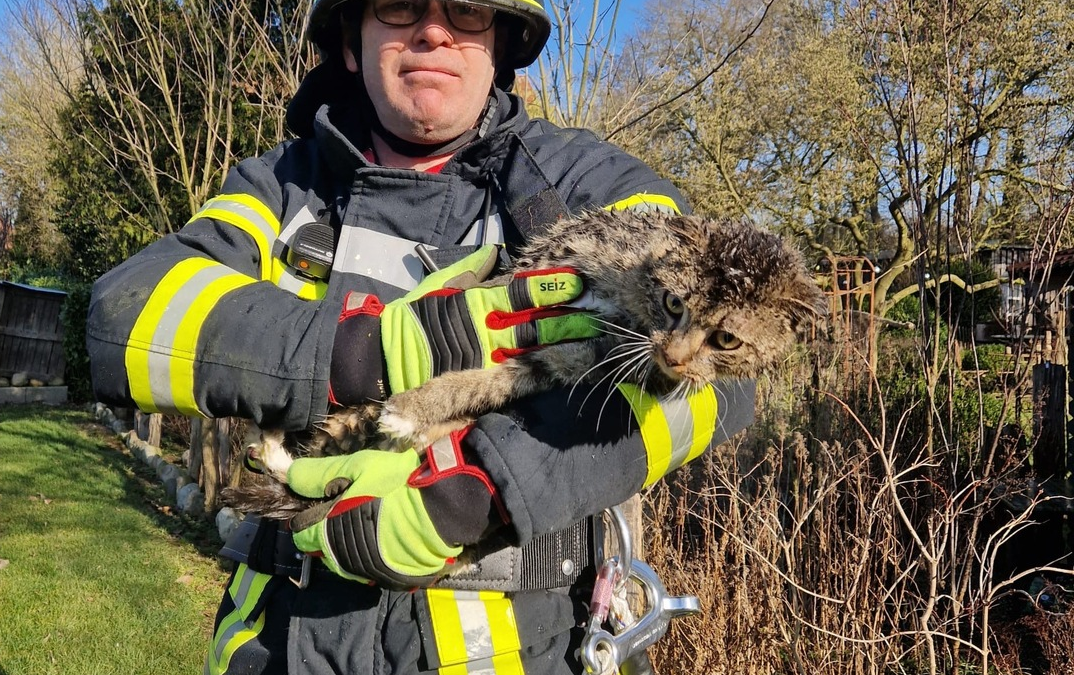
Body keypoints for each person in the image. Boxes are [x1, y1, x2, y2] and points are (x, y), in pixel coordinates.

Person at [86, 0, 755, 673]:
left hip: (517, 646)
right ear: (351, 43)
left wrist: (479, 489)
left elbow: (724, 381)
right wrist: (365, 352)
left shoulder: (583, 182)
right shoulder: (282, 187)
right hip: (282, 638)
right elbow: (125, 316)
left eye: (465, 11)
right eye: (400, 6)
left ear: (499, 43)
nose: (433, 31)